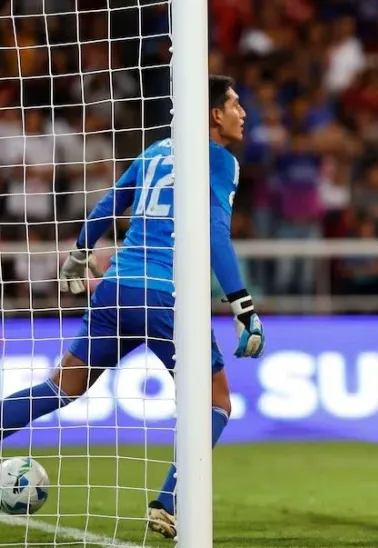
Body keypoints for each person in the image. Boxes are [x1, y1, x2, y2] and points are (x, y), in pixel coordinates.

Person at [0, 75, 265, 539]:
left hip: (117, 287)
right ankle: (168, 503)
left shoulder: (156, 151)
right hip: (167, 296)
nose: (243, 113)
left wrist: (80, 252)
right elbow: (214, 234)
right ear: (214, 114)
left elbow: (108, 204)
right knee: (215, 402)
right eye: (235, 104)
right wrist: (243, 306)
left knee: (62, 386)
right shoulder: (220, 161)